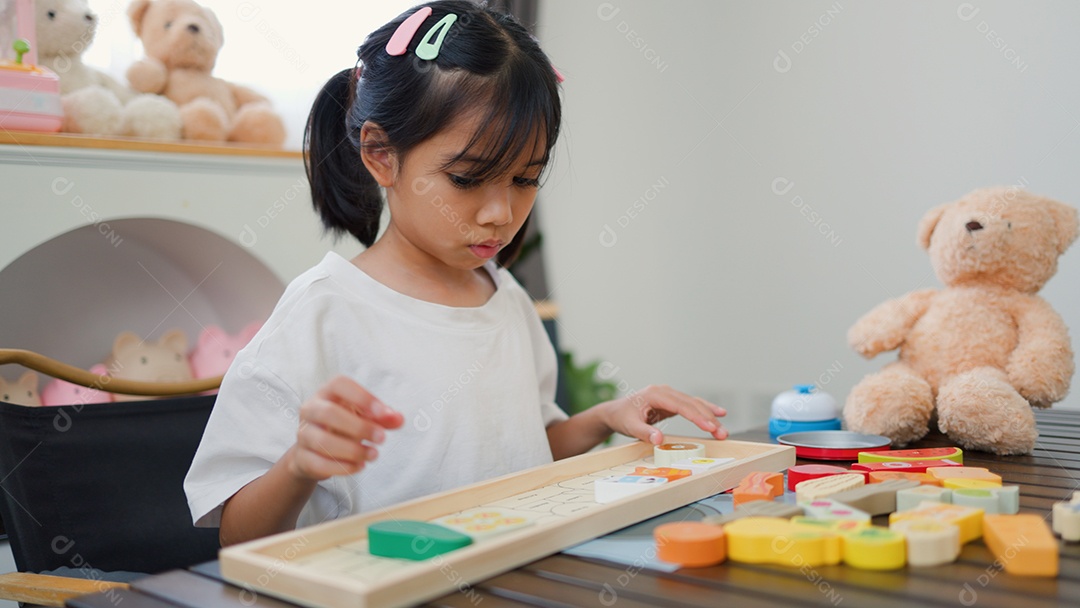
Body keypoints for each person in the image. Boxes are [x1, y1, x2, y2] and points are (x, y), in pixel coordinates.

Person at [184, 0, 727, 547]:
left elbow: (526, 453)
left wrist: (605, 416)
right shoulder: (323, 310)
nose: (501, 213)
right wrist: (299, 465)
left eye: (525, 179)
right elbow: (236, 536)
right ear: (380, 155)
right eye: (468, 179)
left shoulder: (505, 297)